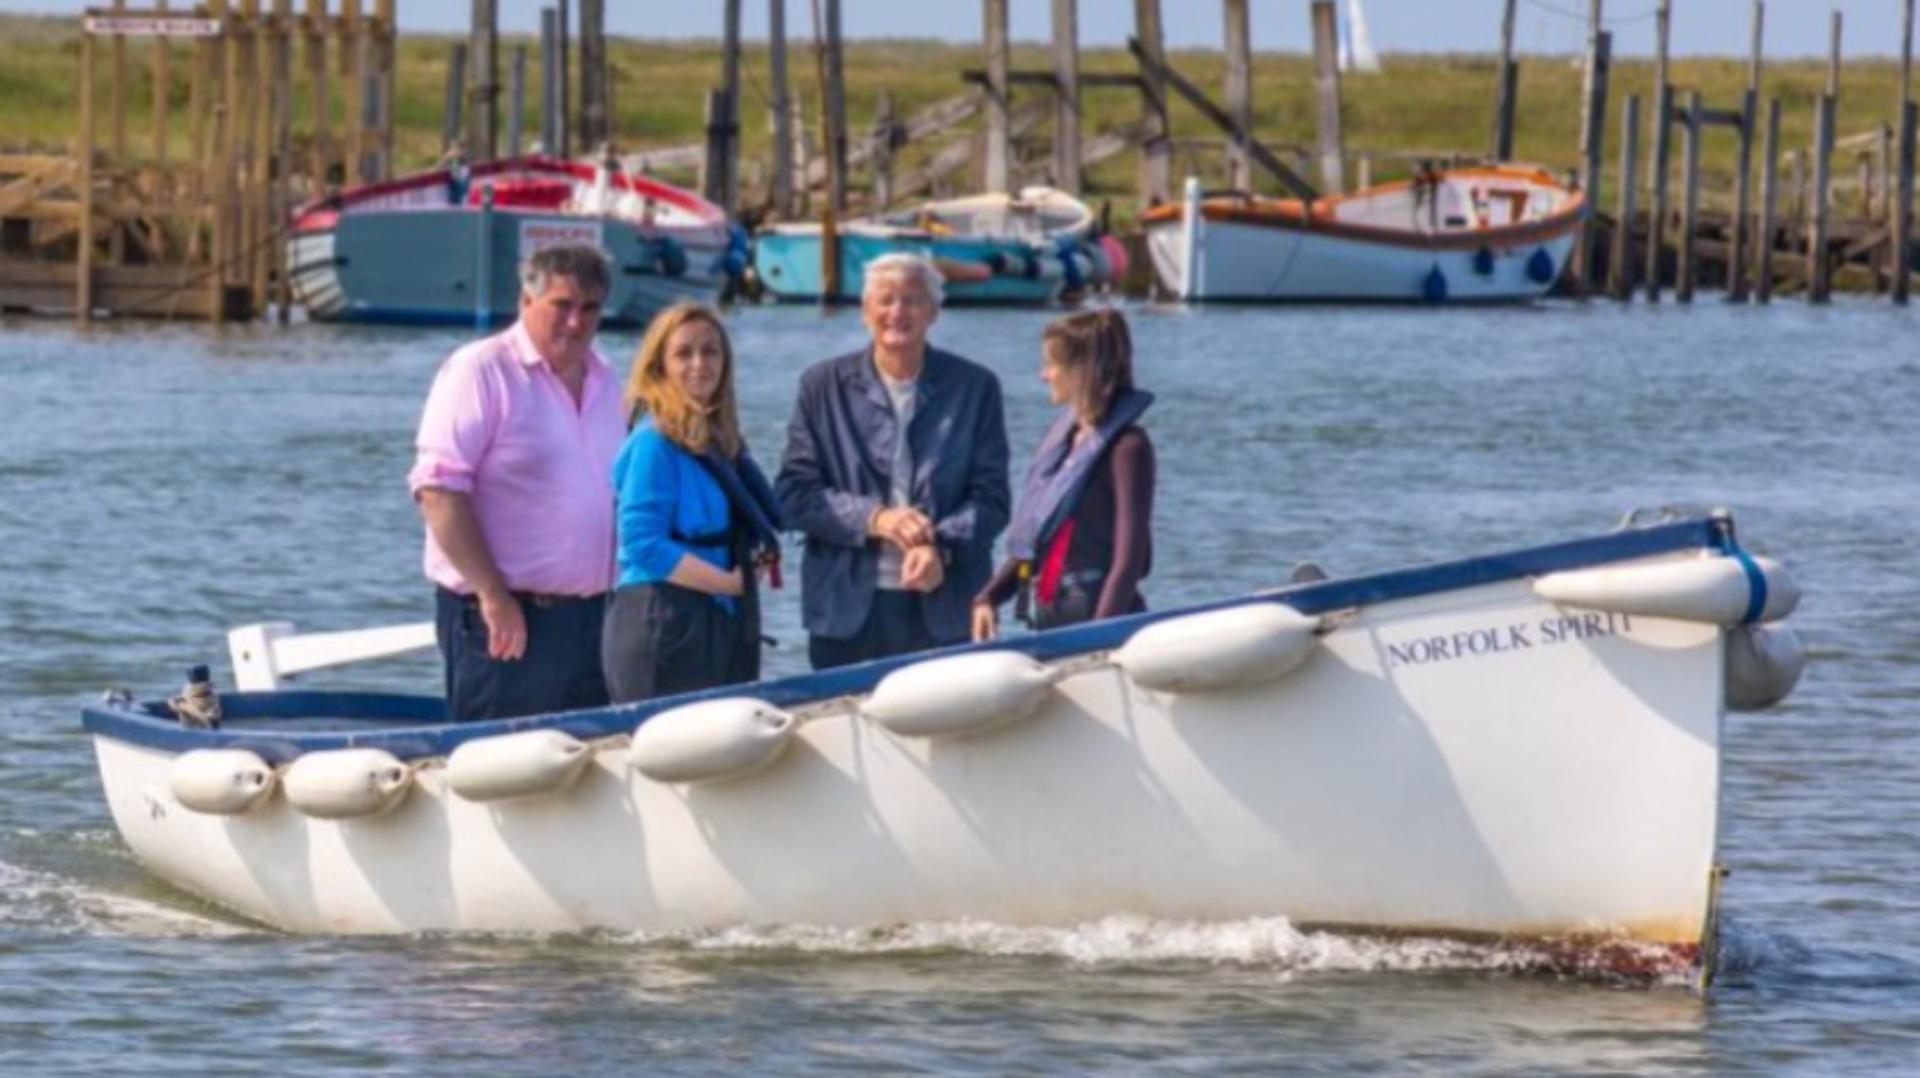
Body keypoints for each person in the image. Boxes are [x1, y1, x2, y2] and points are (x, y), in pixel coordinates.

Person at [408, 244, 625, 721]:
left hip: (593, 619)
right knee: (499, 771)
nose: (575, 322)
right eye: (562, 306)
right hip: (505, 617)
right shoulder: (480, 370)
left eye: (589, 309)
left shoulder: (607, 378)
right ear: (526, 301)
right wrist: (493, 595)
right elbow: (438, 492)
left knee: (589, 774)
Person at [776, 252, 1011, 669]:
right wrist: (875, 518)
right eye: (885, 300)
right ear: (866, 311)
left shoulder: (976, 388)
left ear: (934, 311)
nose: (897, 311)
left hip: (946, 604)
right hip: (844, 613)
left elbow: (993, 501)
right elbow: (795, 495)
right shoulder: (821, 386)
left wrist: (940, 545)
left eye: (913, 299)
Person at [602, 303, 784, 704]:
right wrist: (730, 583)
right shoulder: (654, 442)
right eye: (684, 353)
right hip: (662, 622)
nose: (699, 364)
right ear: (659, 365)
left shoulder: (720, 444)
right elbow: (641, 542)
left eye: (711, 351)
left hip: (717, 616)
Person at [973, 309, 1155, 639]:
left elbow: (1127, 563)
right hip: (1051, 620)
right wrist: (989, 597)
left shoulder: (1128, 449)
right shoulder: (1066, 443)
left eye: (1052, 364)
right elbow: (1035, 541)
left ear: (1082, 371)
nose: (1044, 375)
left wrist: (1098, 639)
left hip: (1103, 618)